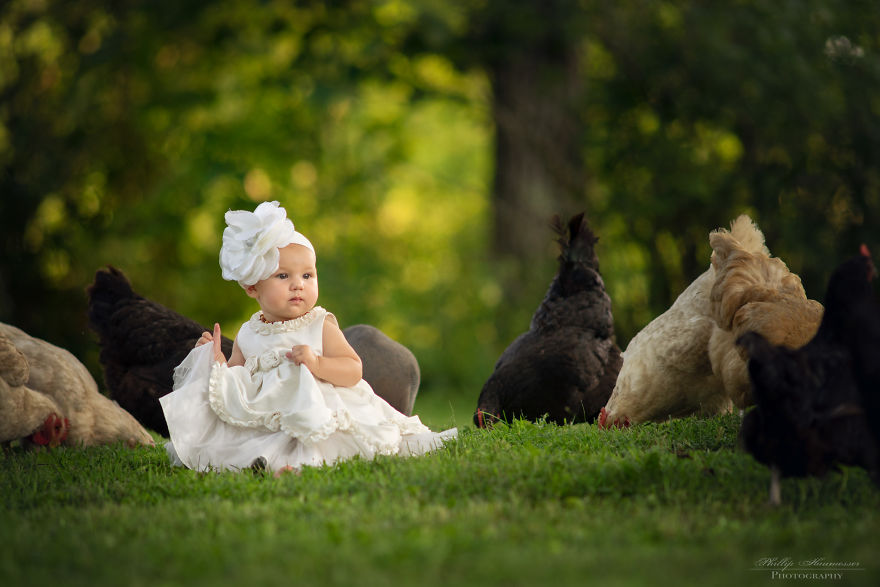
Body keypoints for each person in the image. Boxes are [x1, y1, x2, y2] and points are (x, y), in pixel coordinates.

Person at [160, 201, 456, 473]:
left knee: (314, 433)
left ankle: (300, 464)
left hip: (316, 409)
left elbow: (353, 369)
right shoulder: (249, 332)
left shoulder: (319, 324)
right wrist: (218, 363)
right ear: (252, 287)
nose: (298, 285)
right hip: (271, 415)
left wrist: (317, 363)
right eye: (283, 276)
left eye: (307, 275)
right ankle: (268, 461)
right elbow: (239, 381)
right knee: (259, 438)